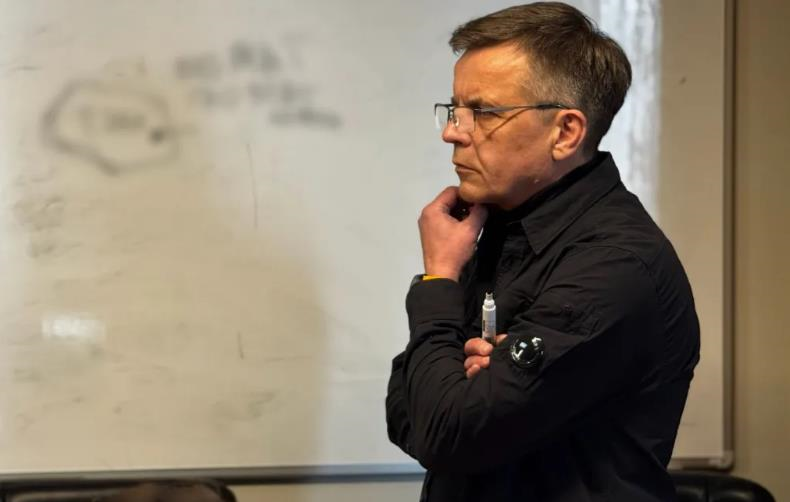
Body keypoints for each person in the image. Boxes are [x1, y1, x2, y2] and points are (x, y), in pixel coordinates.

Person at [385, 2, 700, 501]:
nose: (452, 131)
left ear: (565, 132)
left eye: (483, 112)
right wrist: (457, 384)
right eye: (455, 109)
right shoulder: (501, 227)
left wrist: (440, 280)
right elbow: (407, 413)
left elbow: (446, 433)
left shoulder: (613, 264)